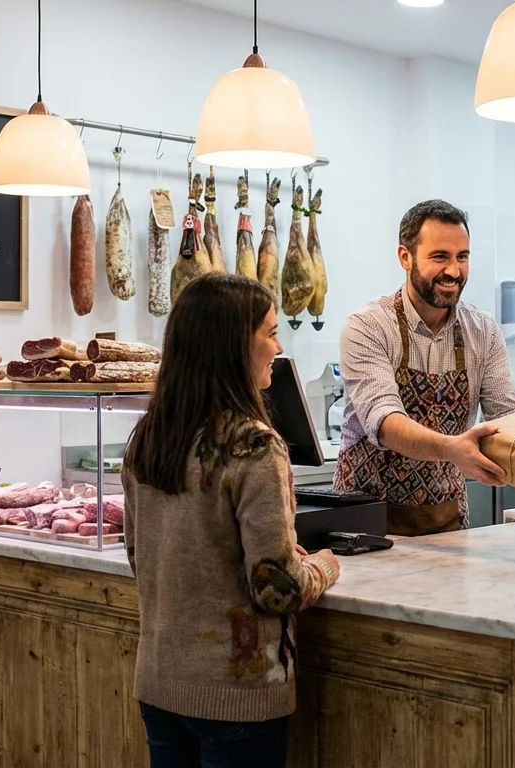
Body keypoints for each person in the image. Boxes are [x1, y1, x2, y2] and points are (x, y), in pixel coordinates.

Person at [122, 273, 341, 768]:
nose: (278, 346)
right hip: (235, 693)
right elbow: (276, 589)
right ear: (233, 344)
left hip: (160, 683)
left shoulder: (147, 437)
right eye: (269, 331)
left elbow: (140, 555)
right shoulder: (256, 445)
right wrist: (325, 566)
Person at [333, 199, 515, 536]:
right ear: (405, 257)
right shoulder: (367, 327)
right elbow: (385, 423)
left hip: (445, 521)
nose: (453, 271)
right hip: (363, 523)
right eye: (440, 257)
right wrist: (453, 449)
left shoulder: (484, 331)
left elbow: (508, 419)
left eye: (462, 257)